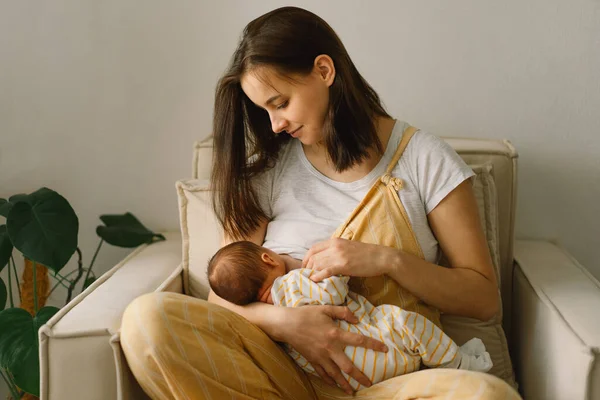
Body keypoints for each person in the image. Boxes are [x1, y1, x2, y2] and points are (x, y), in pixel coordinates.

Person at [120, 6, 522, 399]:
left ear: (324, 71)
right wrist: (286, 324)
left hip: (388, 379)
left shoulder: (425, 159)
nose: (275, 124)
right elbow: (220, 297)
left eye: (280, 102)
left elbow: (482, 297)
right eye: (265, 111)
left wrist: (387, 261)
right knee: (147, 321)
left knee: (485, 394)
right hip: (279, 374)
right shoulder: (272, 170)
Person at [206, 240, 494, 391]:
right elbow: (329, 295)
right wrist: (337, 270)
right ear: (268, 258)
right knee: (407, 323)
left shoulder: (264, 315)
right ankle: (458, 362)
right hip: (372, 346)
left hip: (347, 378)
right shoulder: (292, 283)